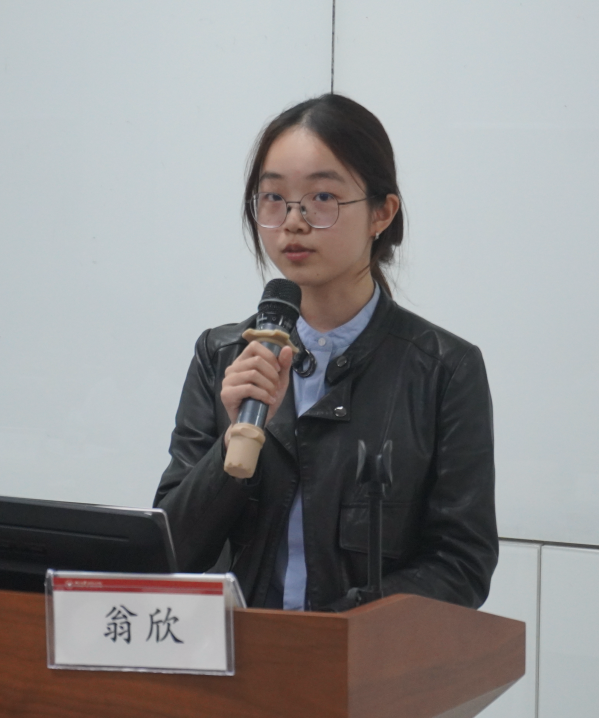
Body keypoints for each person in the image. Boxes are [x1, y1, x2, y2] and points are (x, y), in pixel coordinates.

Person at [154, 94, 497, 611]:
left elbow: (461, 565)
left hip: (361, 656)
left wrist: (336, 632)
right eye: (274, 197)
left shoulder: (443, 370)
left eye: (322, 197)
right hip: (239, 650)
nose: (293, 221)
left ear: (382, 213)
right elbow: (172, 553)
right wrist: (230, 448)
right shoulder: (221, 356)